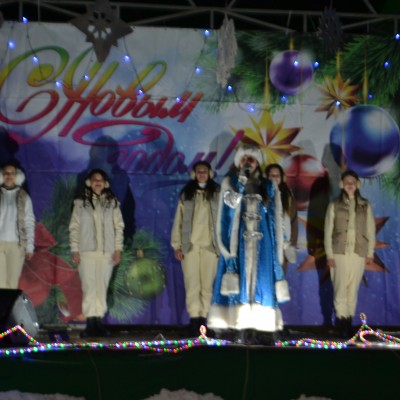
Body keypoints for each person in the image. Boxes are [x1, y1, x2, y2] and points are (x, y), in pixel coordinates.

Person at [207, 145, 290, 344]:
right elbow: (228, 207)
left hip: (263, 243)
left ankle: (263, 328)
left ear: (257, 163)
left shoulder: (269, 186)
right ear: (238, 163)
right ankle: (241, 327)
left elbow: (276, 217)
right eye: (244, 159)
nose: (247, 163)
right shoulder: (231, 182)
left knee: (263, 282)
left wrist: (281, 241)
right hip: (240, 243)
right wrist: (242, 183)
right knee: (243, 282)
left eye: (251, 160)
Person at [69, 169, 124, 337]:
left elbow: (119, 227)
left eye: (100, 180)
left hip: (107, 253)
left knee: (101, 287)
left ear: (105, 183)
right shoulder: (80, 203)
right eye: (94, 179)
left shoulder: (112, 203)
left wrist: (117, 249)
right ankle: (90, 322)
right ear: (89, 182)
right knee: (89, 287)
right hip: (86, 253)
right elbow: (74, 227)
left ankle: (98, 321)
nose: (97, 182)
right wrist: (75, 249)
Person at [171, 161, 220, 336]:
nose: (201, 174)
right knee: (192, 284)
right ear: (194, 174)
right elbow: (178, 220)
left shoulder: (217, 193)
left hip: (210, 247)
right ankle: (194, 320)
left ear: (210, 173)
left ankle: (204, 321)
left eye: (204, 171)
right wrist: (177, 245)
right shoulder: (187, 194)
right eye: (199, 171)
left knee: (207, 286)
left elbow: (225, 221)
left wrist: (222, 246)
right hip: (189, 247)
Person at [324, 170, 375, 338]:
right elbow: (328, 231)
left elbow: (370, 229)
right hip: (339, 251)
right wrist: (329, 255)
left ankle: (349, 321)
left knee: (353, 289)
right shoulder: (334, 205)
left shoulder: (365, 205)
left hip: (358, 252)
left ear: (358, 184)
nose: (350, 184)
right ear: (342, 185)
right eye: (347, 182)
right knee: (340, 287)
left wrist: (370, 252)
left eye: (353, 181)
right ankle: (342, 322)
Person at [0, 162, 35, 289]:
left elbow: (29, 222)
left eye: (12, 173)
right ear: (2, 176)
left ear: (17, 176)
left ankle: (9, 303)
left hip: (16, 245)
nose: (9, 176)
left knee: (12, 283)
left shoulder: (24, 197)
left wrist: (29, 247)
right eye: (6, 173)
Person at [265, 163, 298, 273]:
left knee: (280, 276)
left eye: (277, 175)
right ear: (267, 177)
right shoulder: (262, 194)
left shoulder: (288, 196)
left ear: (282, 177)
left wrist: (292, 245)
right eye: (272, 175)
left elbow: (293, 222)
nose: (274, 178)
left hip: (283, 246)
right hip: (266, 245)